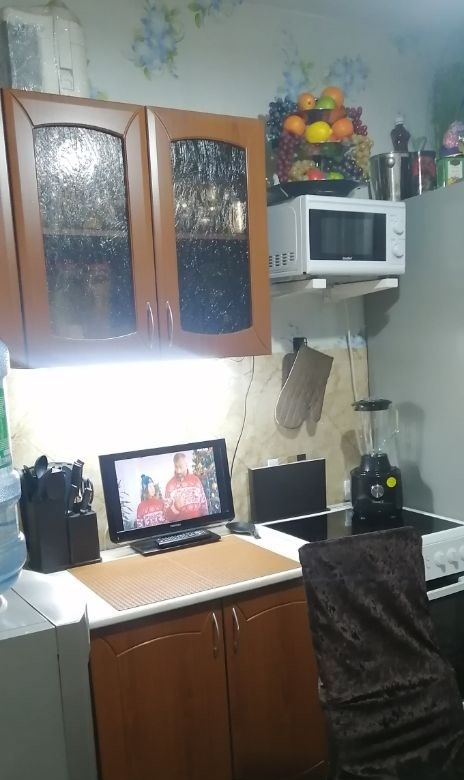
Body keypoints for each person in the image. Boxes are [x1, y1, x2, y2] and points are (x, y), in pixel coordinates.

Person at [164, 453, 208, 522]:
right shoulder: (169, 485)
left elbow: (204, 506)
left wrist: (206, 522)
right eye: (176, 467)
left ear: (186, 465)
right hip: (181, 527)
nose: (178, 471)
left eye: (180, 467)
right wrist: (175, 507)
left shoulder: (196, 480)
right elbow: (167, 517)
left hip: (199, 524)